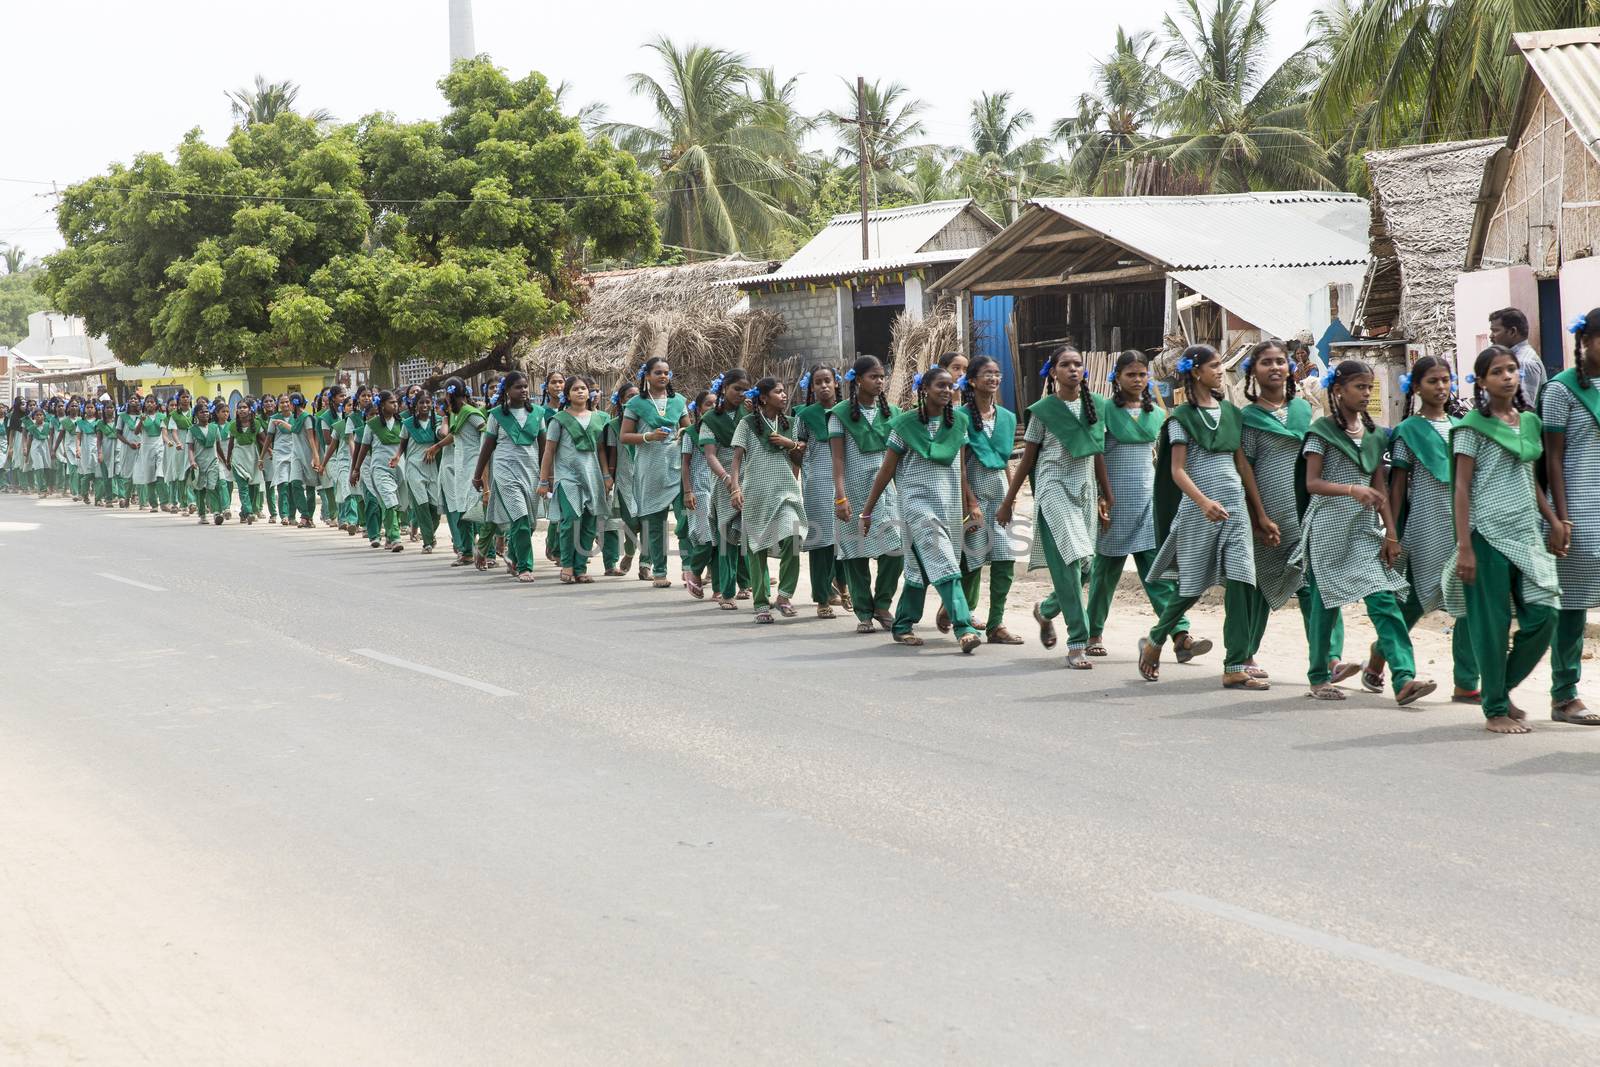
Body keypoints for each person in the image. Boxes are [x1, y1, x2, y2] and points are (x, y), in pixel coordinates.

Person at [1291, 360, 1435, 705]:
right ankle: (1318, 676)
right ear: (1338, 390)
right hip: (1327, 525)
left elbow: (1379, 486)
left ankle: (1403, 678)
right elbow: (1312, 483)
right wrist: (1351, 490)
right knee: (1326, 604)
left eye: (1369, 387)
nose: (1366, 394)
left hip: (1363, 529)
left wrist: (1391, 534)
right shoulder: (1321, 432)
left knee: (1384, 599)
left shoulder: (1374, 435)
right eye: (1359, 387)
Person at [1442, 345, 1565, 733]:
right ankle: (1494, 709)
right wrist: (1464, 546)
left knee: (1545, 614)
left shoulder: (1529, 422)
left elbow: (1530, 480)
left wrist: (1554, 519)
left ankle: (1500, 687)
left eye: (1512, 369)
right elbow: (1461, 488)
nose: (1508, 376)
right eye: (1497, 371)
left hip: (1526, 531)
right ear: (1481, 381)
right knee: (1491, 624)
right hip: (1486, 535)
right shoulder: (1470, 428)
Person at [1138, 344, 1265, 689]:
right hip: (1198, 510)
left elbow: (1242, 465)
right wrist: (1203, 501)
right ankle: (1156, 639)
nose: (1221, 371)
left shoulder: (1231, 413)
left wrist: (1259, 513)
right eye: (1215, 366)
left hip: (1234, 508)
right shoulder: (1181, 418)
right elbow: (1178, 471)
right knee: (1192, 587)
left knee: (1242, 581)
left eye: (1222, 366)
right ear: (1196, 372)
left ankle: (1234, 664)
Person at [1235, 340, 1350, 683]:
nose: (1274, 367)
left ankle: (1330, 657)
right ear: (1252, 371)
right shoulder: (1248, 419)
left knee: (1315, 582)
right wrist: (1258, 516)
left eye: (1279, 362)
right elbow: (1246, 470)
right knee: (1258, 585)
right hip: (1265, 510)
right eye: (1266, 362)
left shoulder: (1303, 410)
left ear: (1289, 368)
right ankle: (1245, 653)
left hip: (1304, 509)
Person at [1370, 355, 1480, 702]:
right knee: (1416, 600)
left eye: (1446, 380)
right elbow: (1397, 487)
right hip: (1425, 524)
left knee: (1467, 601)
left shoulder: (1463, 426)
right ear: (1416, 387)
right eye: (1433, 381)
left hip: (1461, 521)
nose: (1441, 387)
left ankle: (1466, 682)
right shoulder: (1407, 431)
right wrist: (1392, 534)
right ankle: (1378, 656)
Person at [1085, 351, 1205, 661]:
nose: (1138, 380)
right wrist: (1101, 495)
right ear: (1117, 377)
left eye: (1142, 375)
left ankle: (1180, 634)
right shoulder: (1104, 411)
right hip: (1113, 500)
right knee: (1104, 574)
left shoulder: (1157, 414)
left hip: (1146, 501)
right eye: (1131, 375)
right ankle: (1092, 631)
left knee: (1158, 572)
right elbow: (1096, 455)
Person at [997, 345, 1110, 668]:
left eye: (1078, 364)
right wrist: (1009, 501)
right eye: (1066, 365)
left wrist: (1106, 493)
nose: (1073, 369)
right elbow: (1027, 459)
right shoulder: (1043, 411)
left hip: (1085, 489)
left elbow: (1098, 452)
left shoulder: (1095, 407)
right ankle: (1078, 641)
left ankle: (1046, 610)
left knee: (1087, 565)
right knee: (1072, 560)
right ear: (1054, 372)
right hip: (1053, 488)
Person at [861, 366, 982, 653]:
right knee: (944, 562)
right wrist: (867, 511)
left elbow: (961, 469)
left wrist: (971, 501)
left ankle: (902, 625)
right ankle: (963, 628)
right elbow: (886, 471)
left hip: (949, 504)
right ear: (924, 389)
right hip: (917, 506)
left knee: (919, 567)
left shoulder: (960, 423)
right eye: (940, 385)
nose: (947, 390)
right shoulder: (904, 426)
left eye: (951, 386)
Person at [1542, 310, 1600, 725]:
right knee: (1573, 604)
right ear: (1587, 340)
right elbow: (1553, 459)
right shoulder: (1561, 390)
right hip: (1578, 505)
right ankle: (1564, 693)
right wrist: (1560, 516)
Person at [949, 355, 1022, 645]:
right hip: (974, 493)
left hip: (999, 494)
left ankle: (996, 624)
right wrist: (970, 502)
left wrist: (1011, 496)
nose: (993, 378)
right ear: (972, 381)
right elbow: (961, 464)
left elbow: (1005, 460)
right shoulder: (961, 417)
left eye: (996, 373)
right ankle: (962, 617)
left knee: (1005, 559)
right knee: (972, 561)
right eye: (986, 374)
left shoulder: (1006, 417)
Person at [830, 355, 904, 634]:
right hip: (852, 489)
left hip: (886, 492)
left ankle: (883, 604)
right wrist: (840, 496)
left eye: (882, 376)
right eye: (874, 376)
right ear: (858, 380)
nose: (879, 381)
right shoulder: (839, 414)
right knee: (855, 553)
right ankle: (863, 612)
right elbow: (837, 460)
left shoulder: (893, 413)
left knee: (894, 549)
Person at [730, 377, 806, 622]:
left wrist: (790, 443)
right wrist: (735, 488)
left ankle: (784, 595)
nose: (784, 395)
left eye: (784, 391)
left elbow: (799, 460)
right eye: (778, 391)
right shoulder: (747, 423)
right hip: (756, 493)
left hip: (786, 492)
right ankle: (761, 602)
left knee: (793, 538)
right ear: (763, 397)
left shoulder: (791, 423)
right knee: (757, 546)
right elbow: (737, 459)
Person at [620, 358, 690, 588]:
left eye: (666, 373)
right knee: (655, 522)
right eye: (658, 372)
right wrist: (648, 436)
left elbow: (687, 428)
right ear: (646, 376)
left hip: (677, 466)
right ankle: (659, 571)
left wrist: (682, 432)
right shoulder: (635, 404)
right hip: (650, 467)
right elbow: (625, 436)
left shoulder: (679, 401)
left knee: (685, 519)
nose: (663, 376)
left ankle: (689, 568)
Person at [538, 375, 612, 584]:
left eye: (583, 389)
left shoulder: (598, 418)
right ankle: (567, 565)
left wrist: (606, 475)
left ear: (589, 393)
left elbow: (601, 450)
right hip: (568, 478)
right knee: (571, 521)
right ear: (567, 395)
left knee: (589, 522)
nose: (580, 392)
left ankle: (580, 567)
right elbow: (549, 451)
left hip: (592, 476)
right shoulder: (559, 420)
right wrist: (544, 480)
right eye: (575, 389)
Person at [472, 372, 545, 581]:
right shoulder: (496, 415)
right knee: (520, 517)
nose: (523, 390)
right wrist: (478, 475)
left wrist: (547, 476)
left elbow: (544, 447)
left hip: (530, 473)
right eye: (518, 387)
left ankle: (512, 556)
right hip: (505, 473)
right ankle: (525, 567)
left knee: (529, 523)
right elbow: (487, 447)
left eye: (525, 386)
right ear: (507, 391)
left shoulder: (538, 414)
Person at [792, 366, 847, 618]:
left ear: (836, 383)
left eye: (828, 381)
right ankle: (822, 597)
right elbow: (795, 452)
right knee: (822, 539)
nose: (824, 386)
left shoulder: (848, 411)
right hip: (817, 481)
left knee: (844, 536)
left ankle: (844, 588)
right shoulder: (805, 416)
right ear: (811, 387)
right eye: (818, 382)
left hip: (847, 480)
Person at [699, 369, 750, 609]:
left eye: (744, 389)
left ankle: (755, 588)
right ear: (724, 389)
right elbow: (710, 454)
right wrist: (727, 478)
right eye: (736, 389)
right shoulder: (710, 419)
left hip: (751, 475)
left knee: (751, 536)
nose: (741, 394)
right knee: (726, 536)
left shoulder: (750, 414)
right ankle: (727, 592)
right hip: (723, 480)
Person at [679, 389, 717, 598]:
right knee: (705, 537)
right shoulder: (691, 433)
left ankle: (720, 588)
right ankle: (694, 571)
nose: (712, 408)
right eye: (707, 405)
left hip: (720, 488)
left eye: (715, 404)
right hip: (700, 490)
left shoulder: (724, 431)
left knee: (722, 538)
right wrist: (688, 491)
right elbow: (685, 464)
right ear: (699, 410)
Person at [399, 391, 446, 553]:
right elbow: (402, 444)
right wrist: (397, 457)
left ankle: (428, 533)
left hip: (433, 469)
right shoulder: (408, 423)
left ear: (432, 404)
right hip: (414, 468)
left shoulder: (439, 422)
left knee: (435, 507)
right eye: (421, 403)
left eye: (427, 402)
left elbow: (444, 436)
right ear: (415, 405)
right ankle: (427, 542)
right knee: (422, 504)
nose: (425, 406)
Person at [602, 384, 640, 577]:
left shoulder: (648, 423)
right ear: (621, 401)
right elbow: (613, 455)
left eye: (636, 395)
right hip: (625, 479)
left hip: (648, 478)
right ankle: (630, 551)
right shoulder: (614, 426)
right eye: (628, 396)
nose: (633, 399)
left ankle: (647, 565)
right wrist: (609, 477)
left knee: (650, 522)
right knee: (631, 522)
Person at [1488, 306, 1547, 410]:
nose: (1491, 336)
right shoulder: (1513, 359)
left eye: (1495, 331)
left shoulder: (1523, 362)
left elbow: (1523, 409)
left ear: (1512, 332)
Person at [226, 401, 266, 524]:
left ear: (250, 410)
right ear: (237, 411)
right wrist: (228, 459)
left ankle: (243, 513)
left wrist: (266, 454)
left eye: (244, 407)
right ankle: (249, 512)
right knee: (243, 487)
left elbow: (263, 440)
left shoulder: (257, 424)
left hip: (252, 457)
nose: (242, 410)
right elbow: (231, 444)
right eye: (239, 408)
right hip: (238, 458)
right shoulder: (232, 426)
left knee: (253, 486)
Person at [188, 401, 225, 524]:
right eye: (201, 412)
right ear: (196, 415)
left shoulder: (214, 428)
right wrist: (192, 461)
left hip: (213, 462)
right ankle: (202, 514)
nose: (204, 414)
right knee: (200, 489)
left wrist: (225, 460)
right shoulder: (192, 430)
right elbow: (190, 448)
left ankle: (216, 513)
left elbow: (218, 447)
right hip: (199, 463)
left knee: (212, 487)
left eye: (206, 411)